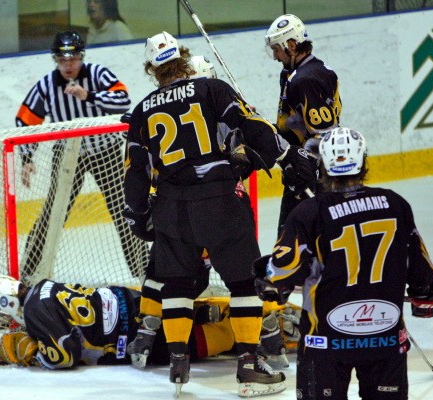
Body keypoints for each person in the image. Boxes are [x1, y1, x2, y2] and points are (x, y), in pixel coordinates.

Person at [122, 31, 315, 397]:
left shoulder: (143, 109)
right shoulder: (211, 88)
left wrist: (138, 213)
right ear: (183, 58)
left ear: (151, 68)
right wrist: (287, 155)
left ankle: (178, 362)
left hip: (171, 207)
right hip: (219, 200)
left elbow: (136, 171)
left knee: (177, 284)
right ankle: (249, 365)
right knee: (243, 284)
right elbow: (253, 126)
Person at [253, 127, 433, 400]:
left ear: (322, 166)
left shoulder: (308, 212)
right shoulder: (396, 204)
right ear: (364, 162)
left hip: (324, 342)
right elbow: (422, 278)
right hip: (386, 339)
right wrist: (428, 292)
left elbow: (281, 272)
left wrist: (266, 276)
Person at [15, 30, 149, 281]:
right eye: (62, 60)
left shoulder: (98, 74)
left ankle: (144, 271)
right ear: (55, 59)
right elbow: (25, 120)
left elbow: (123, 100)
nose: (68, 65)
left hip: (105, 151)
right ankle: (29, 274)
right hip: (67, 156)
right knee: (53, 214)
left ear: (82, 56)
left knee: (125, 210)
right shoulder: (46, 85)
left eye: (73, 59)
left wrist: (89, 96)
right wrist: (27, 158)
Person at [0, 275, 236, 369]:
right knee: (180, 311)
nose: (10, 321)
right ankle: (223, 313)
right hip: (127, 299)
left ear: (8, 302)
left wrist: (35, 356)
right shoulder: (44, 285)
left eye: (5, 314)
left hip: (127, 333)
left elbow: (65, 356)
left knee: (192, 343)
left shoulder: (33, 311)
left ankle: (240, 335)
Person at [264, 14, 342, 232]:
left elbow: (323, 136)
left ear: (291, 45)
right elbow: (294, 121)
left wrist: (305, 171)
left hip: (311, 174)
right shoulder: (295, 73)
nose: (275, 56)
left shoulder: (306, 79)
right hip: (300, 167)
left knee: (293, 236)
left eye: (277, 50)